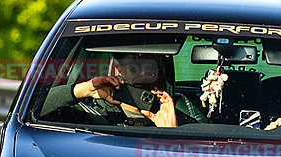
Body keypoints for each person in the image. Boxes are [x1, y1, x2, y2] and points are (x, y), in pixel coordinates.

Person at [72, 52, 205, 128]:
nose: (143, 73)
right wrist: (84, 89)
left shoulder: (172, 114)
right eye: (135, 66)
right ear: (119, 69)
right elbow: (50, 110)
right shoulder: (95, 111)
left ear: (160, 73)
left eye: (151, 67)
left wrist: (171, 132)